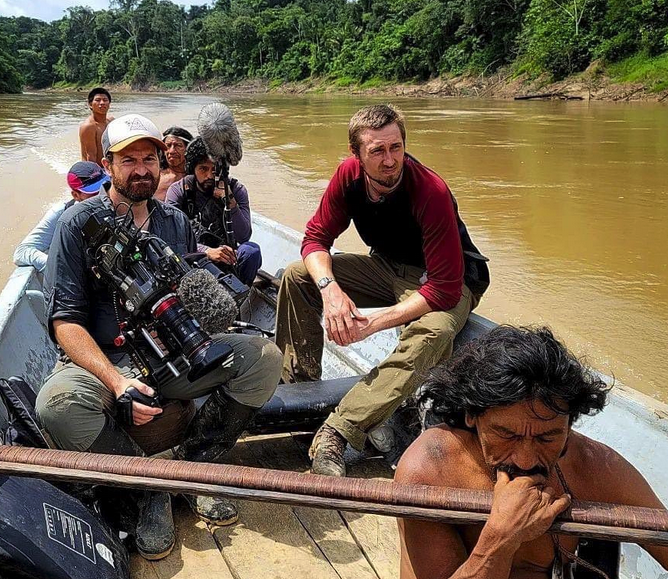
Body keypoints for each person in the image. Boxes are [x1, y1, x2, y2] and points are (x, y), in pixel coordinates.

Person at [36, 113, 282, 560]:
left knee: (263, 356)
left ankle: (194, 465)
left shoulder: (174, 222)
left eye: (149, 157)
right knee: (57, 405)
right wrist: (115, 381)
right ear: (108, 165)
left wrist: (212, 304)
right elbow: (65, 322)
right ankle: (150, 491)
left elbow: (190, 297)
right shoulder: (77, 226)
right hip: (102, 360)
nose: (142, 168)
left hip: (171, 355)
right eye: (128, 159)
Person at [274, 104, 489, 477]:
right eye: (377, 151)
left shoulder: (430, 191)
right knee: (298, 276)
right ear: (356, 155)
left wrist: (370, 325)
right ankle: (301, 395)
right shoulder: (348, 178)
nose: (390, 161)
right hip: (387, 266)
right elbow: (315, 239)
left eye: (396, 148)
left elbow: (442, 290)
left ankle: (339, 430)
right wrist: (331, 292)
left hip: (447, 279)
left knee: (434, 331)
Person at [396, 325, 668, 578]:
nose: (525, 461)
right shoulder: (430, 468)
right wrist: (500, 538)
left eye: (547, 437)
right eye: (506, 434)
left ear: (569, 425)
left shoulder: (593, 465)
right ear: (471, 415)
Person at [165, 137, 262, 285]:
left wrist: (230, 202)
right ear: (193, 168)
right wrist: (206, 252)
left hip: (227, 254)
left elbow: (243, 236)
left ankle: (240, 291)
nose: (209, 175)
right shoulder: (179, 191)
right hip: (193, 255)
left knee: (251, 251)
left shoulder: (236, 189)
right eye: (203, 169)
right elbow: (171, 238)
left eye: (215, 170)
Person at [12, 161, 109, 272]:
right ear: (76, 195)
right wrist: (60, 266)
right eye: (93, 193)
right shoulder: (62, 213)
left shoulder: (120, 202)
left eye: (105, 186)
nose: (101, 195)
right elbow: (21, 252)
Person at [155, 126, 193, 202]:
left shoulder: (197, 178)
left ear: (188, 149)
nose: (172, 151)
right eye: (168, 145)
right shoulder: (155, 176)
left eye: (178, 146)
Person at [79, 87, 114, 165]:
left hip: (109, 166)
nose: (102, 103)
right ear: (90, 104)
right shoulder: (88, 126)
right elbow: (91, 156)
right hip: (94, 169)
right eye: (98, 100)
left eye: (105, 100)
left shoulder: (111, 121)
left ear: (109, 104)